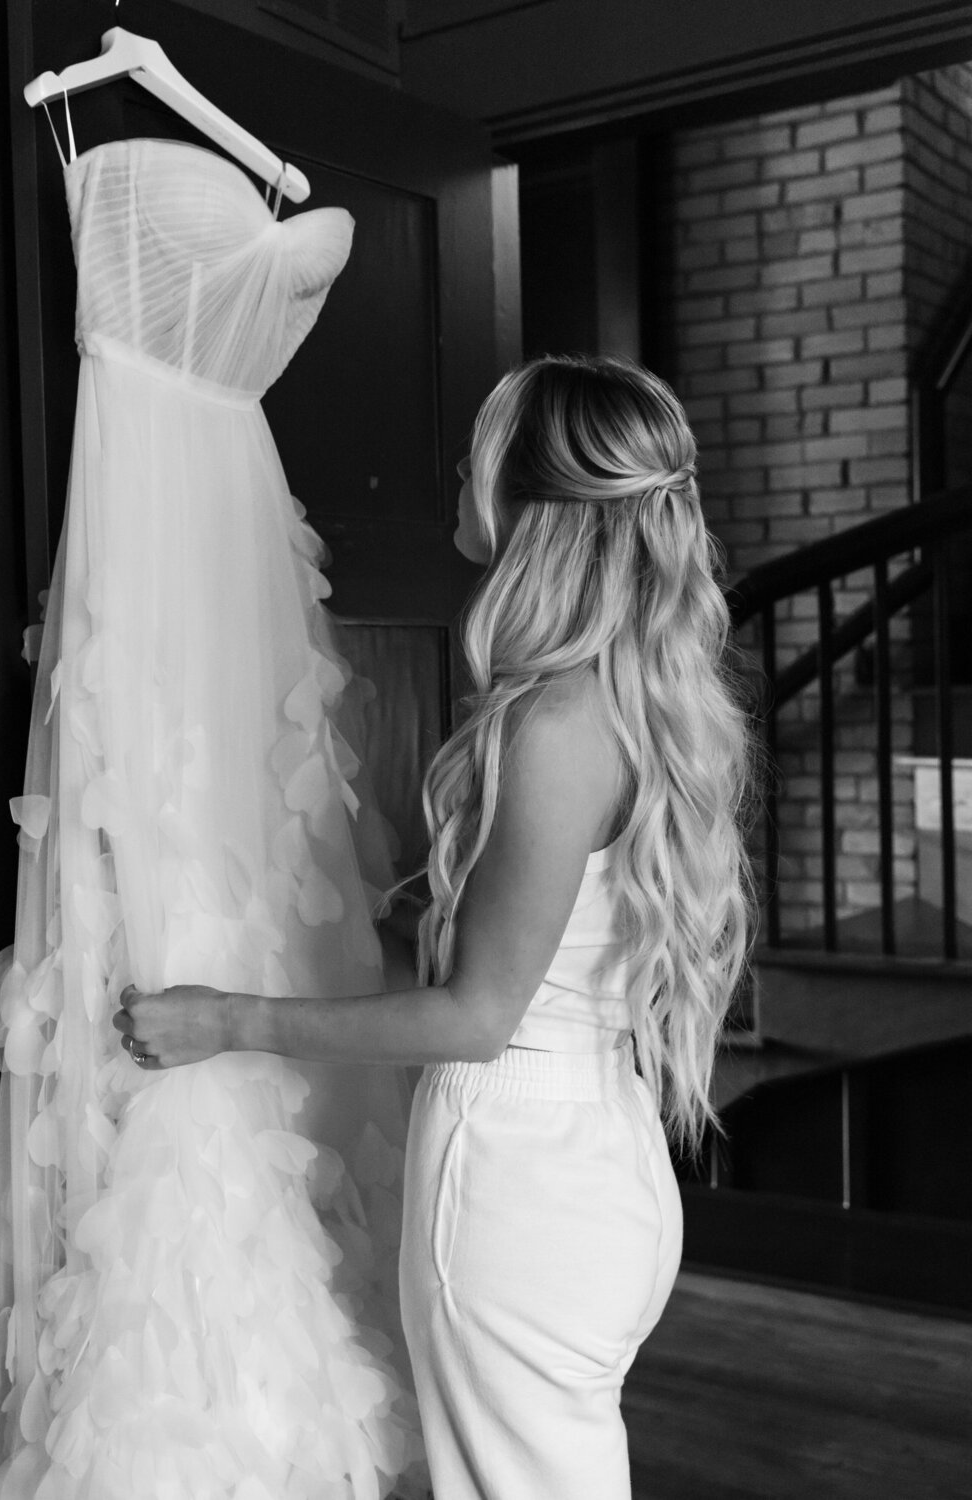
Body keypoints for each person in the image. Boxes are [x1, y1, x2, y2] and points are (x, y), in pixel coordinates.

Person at [115, 353, 756, 1499]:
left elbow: (477, 1018)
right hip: (599, 1165)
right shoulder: (621, 696)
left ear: (533, 501)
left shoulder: (556, 727)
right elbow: (545, 945)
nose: (460, 466)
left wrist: (223, 1017)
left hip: (519, 1186)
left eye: (483, 448)